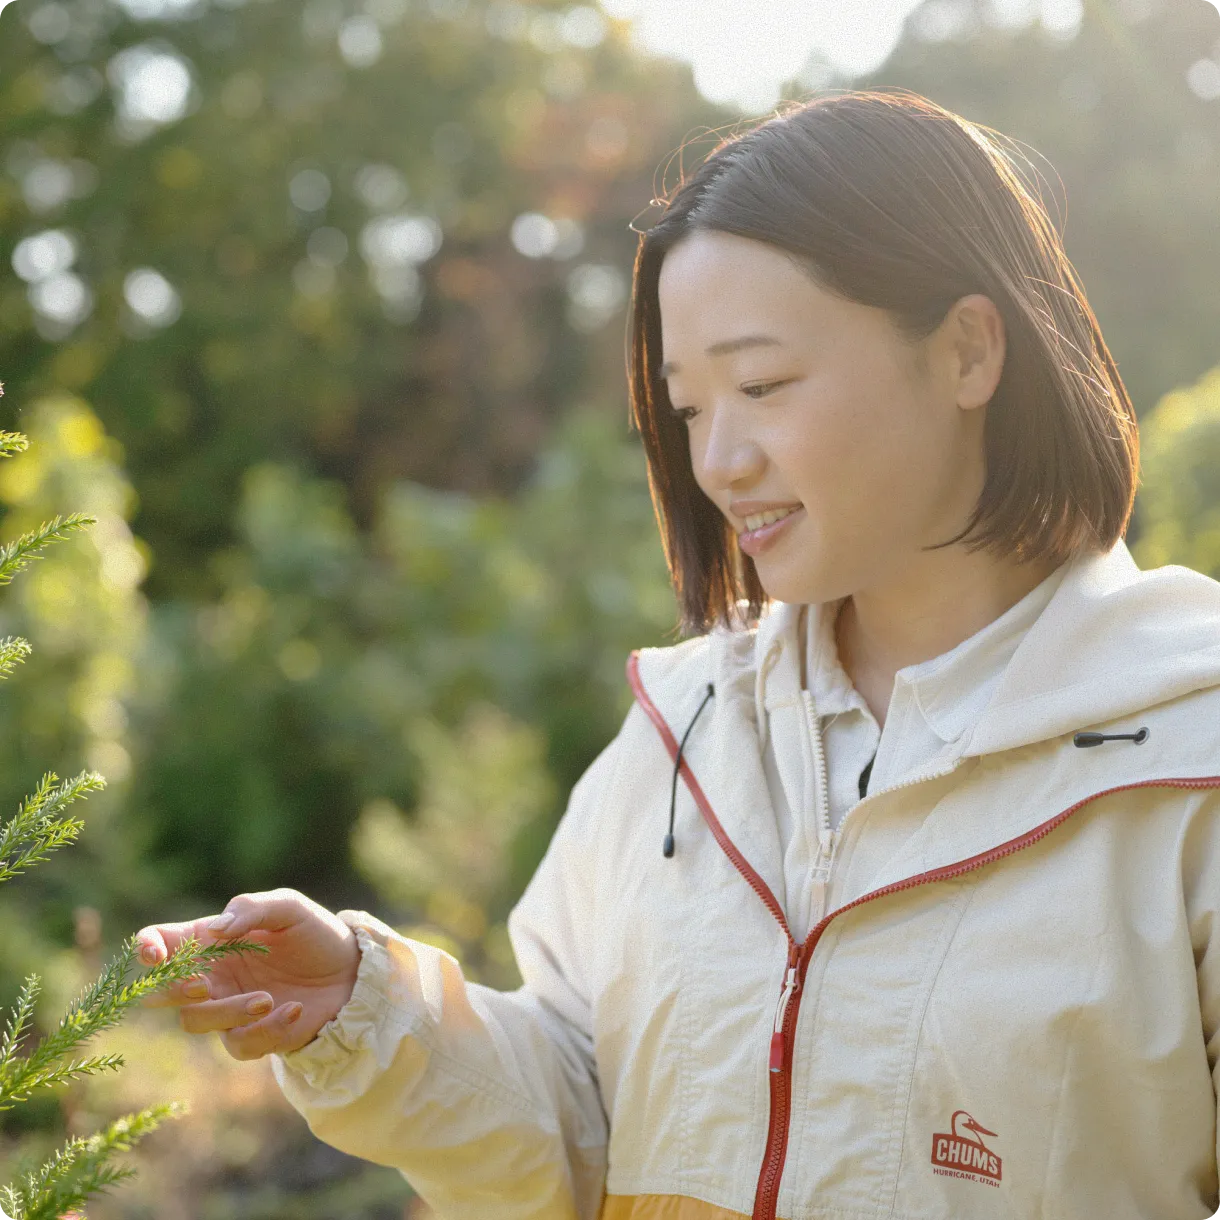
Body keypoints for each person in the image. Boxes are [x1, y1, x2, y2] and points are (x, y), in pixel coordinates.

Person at [135, 89, 1220, 1219]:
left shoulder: (1187, 758)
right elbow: (578, 1112)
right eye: (688, 408)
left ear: (965, 350)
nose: (719, 462)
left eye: (760, 386)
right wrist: (367, 1008)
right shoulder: (685, 729)